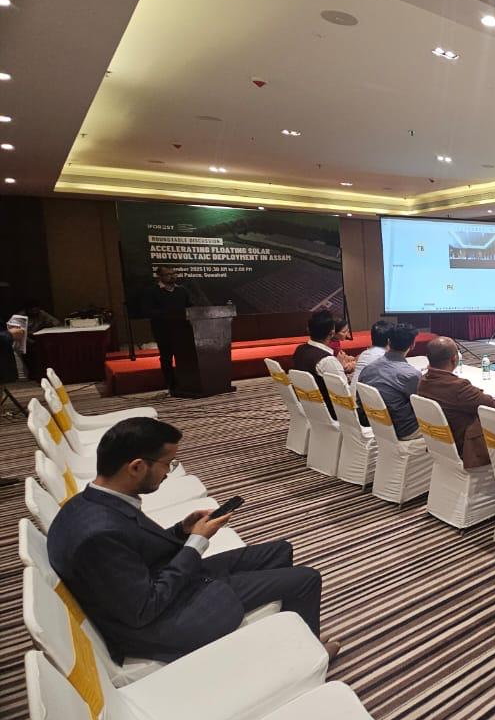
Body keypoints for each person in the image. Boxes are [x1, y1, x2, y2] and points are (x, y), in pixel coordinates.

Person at [47, 418, 336, 662]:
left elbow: (134, 549)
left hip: (162, 578)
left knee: (281, 550)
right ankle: (307, 657)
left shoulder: (90, 502)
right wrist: (196, 543)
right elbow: (144, 609)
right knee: (306, 579)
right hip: (166, 621)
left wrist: (182, 531)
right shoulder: (99, 535)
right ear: (136, 467)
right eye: (168, 464)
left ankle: (288, 635)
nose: (168, 472)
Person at [417, 336, 495, 468]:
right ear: (454, 359)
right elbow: (490, 404)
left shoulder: (423, 380)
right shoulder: (458, 387)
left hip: (440, 441)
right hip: (466, 446)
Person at [356, 324, 423, 439]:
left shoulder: (368, 369)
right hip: (403, 430)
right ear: (412, 345)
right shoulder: (411, 375)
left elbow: (359, 399)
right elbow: (422, 406)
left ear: (388, 342)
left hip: (374, 424)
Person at [135, 266, 194, 392]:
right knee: (167, 357)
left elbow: (191, 307)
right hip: (163, 330)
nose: (172, 276)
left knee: (184, 356)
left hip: (183, 329)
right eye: (168, 274)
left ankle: (186, 382)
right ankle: (171, 384)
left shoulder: (182, 290)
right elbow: (146, 311)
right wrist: (167, 313)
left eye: (174, 273)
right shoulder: (151, 292)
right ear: (159, 276)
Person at [290, 310, 345, 417]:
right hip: (332, 413)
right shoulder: (327, 360)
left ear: (308, 329)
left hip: (308, 406)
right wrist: (340, 367)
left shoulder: (299, 350)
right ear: (332, 333)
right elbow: (344, 394)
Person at [351, 319, 393, 385]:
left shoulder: (364, 354)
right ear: (389, 341)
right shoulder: (384, 358)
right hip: (363, 391)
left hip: (354, 390)